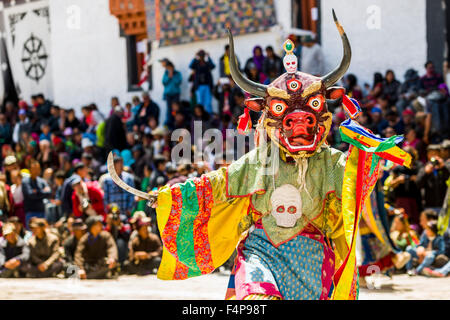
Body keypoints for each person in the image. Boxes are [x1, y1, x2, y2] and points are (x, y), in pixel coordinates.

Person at [74, 215, 118, 279]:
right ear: (91, 226)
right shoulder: (84, 239)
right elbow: (78, 254)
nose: (101, 226)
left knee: (108, 264)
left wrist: (112, 258)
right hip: (88, 265)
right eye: (98, 224)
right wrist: (80, 268)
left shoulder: (106, 236)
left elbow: (111, 247)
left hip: (101, 263)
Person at [22, 160, 51, 228]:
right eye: (34, 169)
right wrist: (42, 192)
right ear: (30, 170)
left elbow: (49, 192)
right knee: (31, 234)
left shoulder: (41, 181)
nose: (36, 171)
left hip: (42, 211)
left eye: (38, 169)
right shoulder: (25, 181)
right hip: (31, 212)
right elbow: (30, 194)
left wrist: (37, 192)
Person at [189, 50, 216, 114]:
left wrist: (209, 57)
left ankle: (208, 117)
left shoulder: (207, 64)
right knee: (200, 103)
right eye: (200, 55)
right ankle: (199, 120)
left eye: (203, 55)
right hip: (199, 86)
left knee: (208, 103)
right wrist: (195, 57)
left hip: (207, 86)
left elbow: (213, 66)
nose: (201, 57)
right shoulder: (196, 64)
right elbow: (190, 66)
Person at [161, 60, 182, 128]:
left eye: (170, 67)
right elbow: (164, 82)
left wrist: (172, 76)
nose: (169, 69)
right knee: (169, 109)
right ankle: (169, 122)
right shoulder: (166, 74)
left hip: (175, 94)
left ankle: (175, 120)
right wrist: (168, 77)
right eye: (168, 68)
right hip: (168, 94)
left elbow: (178, 82)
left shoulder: (177, 73)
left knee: (175, 109)